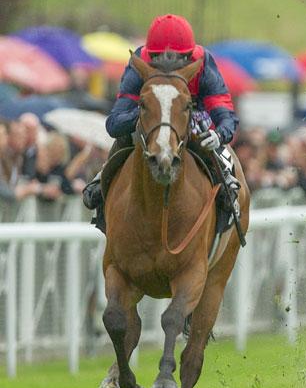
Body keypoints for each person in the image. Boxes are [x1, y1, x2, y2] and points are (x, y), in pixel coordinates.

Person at [82, 14, 241, 231]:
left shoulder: (203, 62)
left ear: (190, 57)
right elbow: (114, 123)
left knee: (214, 150)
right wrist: (149, 113)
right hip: (150, 121)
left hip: (193, 117)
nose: (169, 66)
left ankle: (228, 192)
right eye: (158, 57)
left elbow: (224, 111)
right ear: (150, 55)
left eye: (179, 59)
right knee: (124, 138)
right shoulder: (139, 62)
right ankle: (101, 187)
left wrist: (220, 134)